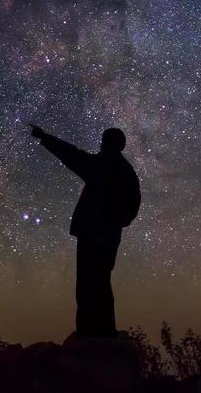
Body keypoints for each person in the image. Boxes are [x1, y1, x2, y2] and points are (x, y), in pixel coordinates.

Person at [30, 124, 140, 338]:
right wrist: (117, 223)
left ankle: (90, 334)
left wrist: (45, 138)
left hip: (93, 233)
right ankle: (104, 331)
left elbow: (73, 156)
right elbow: (133, 203)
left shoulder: (104, 165)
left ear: (108, 144)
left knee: (89, 284)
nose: (101, 145)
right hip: (107, 235)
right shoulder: (126, 171)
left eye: (104, 141)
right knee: (100, 281)